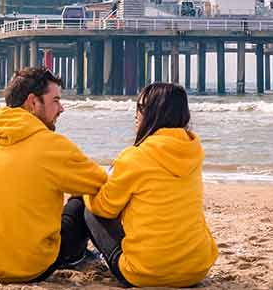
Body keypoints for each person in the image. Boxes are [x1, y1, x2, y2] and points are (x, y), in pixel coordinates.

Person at [0, 67, 107, 283]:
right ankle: (78, 256)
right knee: (81, 200)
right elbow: (101, 183)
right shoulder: (51, 146)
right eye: (55, 101)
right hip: (29, 267)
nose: (61, 109)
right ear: (33, 103)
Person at [81, 83, 218, 287]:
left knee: (89, 209)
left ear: (155, 113)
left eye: (141, 107)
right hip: (196, 270)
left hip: (145, 273)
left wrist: (86, 190)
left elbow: (104, 208)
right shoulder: (193, 153)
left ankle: (73, 257)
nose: (136, 114)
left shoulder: (135, 157)